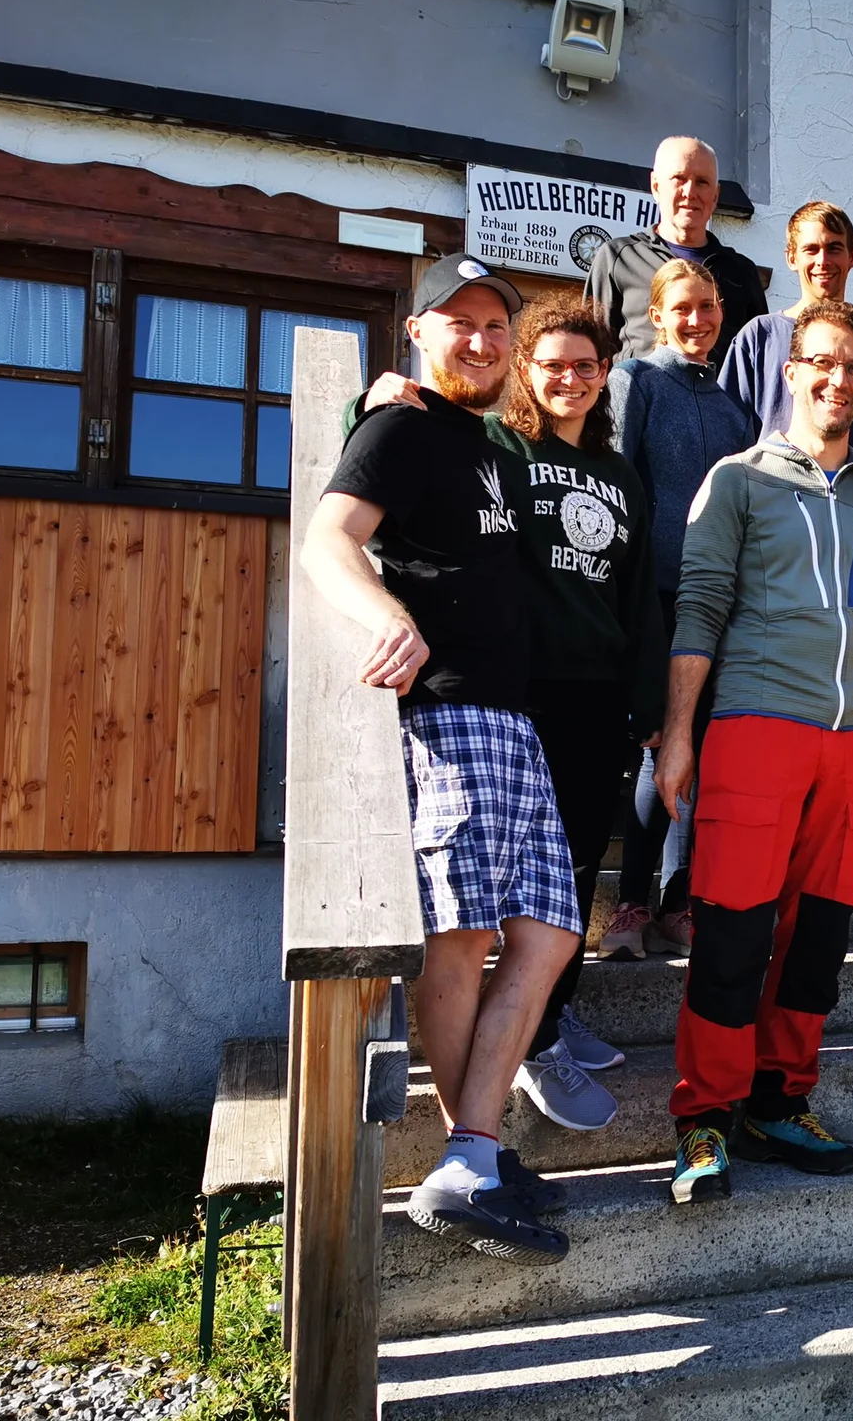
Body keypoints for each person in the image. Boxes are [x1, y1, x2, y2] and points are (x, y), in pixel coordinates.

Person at [302, 254, 578, 1265]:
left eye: (494, 326)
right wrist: (389, 617)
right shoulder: (402, 426)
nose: (481, 340)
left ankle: (474, 1152)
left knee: (546, 934)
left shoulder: (489, 443)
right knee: (461, 937)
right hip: (450, 716)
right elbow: (329, 539)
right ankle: (472, 1158)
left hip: (513, 720)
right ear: (417, 330)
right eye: (457, 323)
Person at [354, 293, 668, 1135]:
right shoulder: (500, 447)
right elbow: (424, 437)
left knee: (564, 876)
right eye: (553, 363)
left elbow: (640, 601)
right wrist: (375, 396)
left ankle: (547, 1018)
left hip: (598, 694)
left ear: (606, 378)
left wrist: (649, 707)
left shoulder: (620, 477)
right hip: (520, 693)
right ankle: (523, 1048)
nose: (570, 378)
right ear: (527, 370)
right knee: (507, 894)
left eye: (587, 366)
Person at [656, 298, 853, 1205]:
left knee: (815, 942)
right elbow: (697, 608)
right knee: (733, 931)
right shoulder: (737, 479)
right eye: (823, 362)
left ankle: (780, 1099)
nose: (839, 379)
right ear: (790, 369)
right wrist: (681, 735)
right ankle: (705, 1118)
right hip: (755, 727)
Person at [599, 260, 756, 960]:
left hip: (719, 599)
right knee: (660, 743)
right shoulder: (637, 382)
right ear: (658, 314)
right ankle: (631, 905)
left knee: (710, 749)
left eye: (709, 307)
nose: (698, 321)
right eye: (683, 309)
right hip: (653, 595)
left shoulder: (734, 410)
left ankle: (676, 900)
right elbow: (616, 485)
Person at [719, 200, 853, 462]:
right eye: (811, 250)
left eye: (834, 248)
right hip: (770, 493)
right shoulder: (758, 338)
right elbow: (725, 434)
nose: (823, 261)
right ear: (791, 257)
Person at [584, 135, 767, 362]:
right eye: (679, 178)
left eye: (702, 182)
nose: (690, 192)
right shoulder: (618, 259)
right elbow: (591, 348)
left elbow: (759, 360)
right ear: (656, 186)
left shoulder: (741, 272)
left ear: (715, 196)